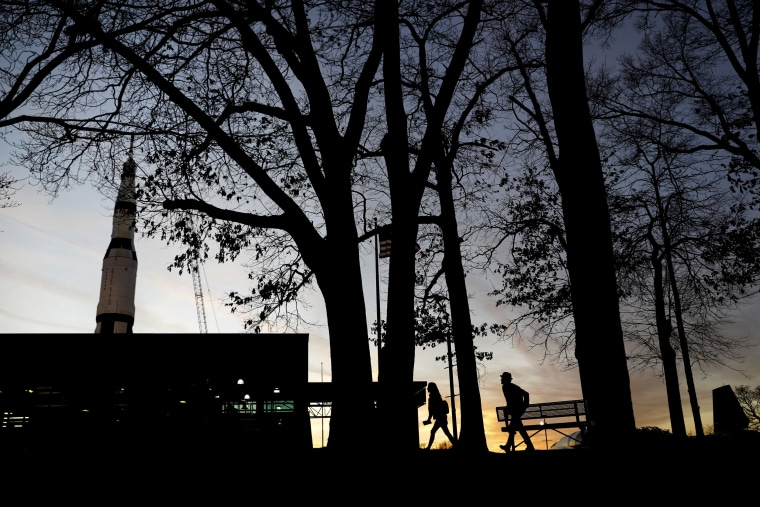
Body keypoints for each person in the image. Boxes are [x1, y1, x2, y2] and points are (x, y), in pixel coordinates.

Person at [500, 372, 535, 451]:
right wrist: (525, 405)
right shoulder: (510, 387)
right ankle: (529, 446)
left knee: (514, 427)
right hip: (516, 410)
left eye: (502, 378)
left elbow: (525, 394)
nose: (501, 379)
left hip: (517, 410)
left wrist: (525, 405)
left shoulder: (508, 387)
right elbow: (524, 394)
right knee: (519, 427)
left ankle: (508, 446)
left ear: (506, 379)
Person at [422, 382, 456, 450]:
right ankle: (456, 445)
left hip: (440, 418)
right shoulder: (437, 396)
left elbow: (431, 410)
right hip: (442, 418)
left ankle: (428, 447)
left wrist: (429, 419)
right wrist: (429, 419)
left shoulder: (432, 398)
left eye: (429, 387)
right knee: (446, 432)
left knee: (434, 431)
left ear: (431, 388)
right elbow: (432, 410)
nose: (427, 388)